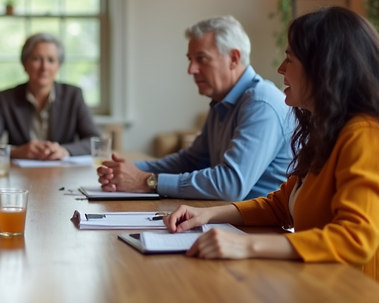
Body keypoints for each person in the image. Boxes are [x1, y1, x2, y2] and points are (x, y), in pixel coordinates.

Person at [165, 7, 379, 287]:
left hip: (358, 298)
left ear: (324, 68)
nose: (280, 69)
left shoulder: (368, 136)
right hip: (319, 283)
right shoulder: (332, 131)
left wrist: (245, 245)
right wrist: (207, 214)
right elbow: (281, 205)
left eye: (289, 59)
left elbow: (355, 240)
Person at [96, 16, 293, 201]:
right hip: (229, 220)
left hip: (262, 231)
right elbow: (191, 161)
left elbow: (230, 185)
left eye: (202, 59)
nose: (191, 70)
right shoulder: (221, 101)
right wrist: (126, 170)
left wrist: (146, 180)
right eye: (190, 59)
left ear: (234, 58)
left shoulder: (261, 103)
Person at [0, 33, 100, 159]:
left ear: (58, 66)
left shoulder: (73, 95)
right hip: (20, 176)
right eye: (37, 59)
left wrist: (65, 150)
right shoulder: (6, 98)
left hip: (63, 174)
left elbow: (95, 141)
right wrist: (16, 152)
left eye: (51, 60)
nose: (44, 67)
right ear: (24, 63)